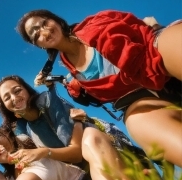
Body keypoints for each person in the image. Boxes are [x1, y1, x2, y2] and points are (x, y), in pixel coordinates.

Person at [16, 9, 182, 167]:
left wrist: (152, 27)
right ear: (38, 44)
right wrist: (60, 85)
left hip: (153, 52)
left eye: (44, 23)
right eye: (35, 34)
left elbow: (134, 25)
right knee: (138, 124)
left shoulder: (95, 22)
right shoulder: (75, 78)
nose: (44, 32)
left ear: (56, 20)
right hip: (137, 98)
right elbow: (88, 98)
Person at [0, 74, 141, 180]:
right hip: (83, 175)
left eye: (17, 90)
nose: (14, 97)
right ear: (6, 107)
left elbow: (77, 152)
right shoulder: (27, 129)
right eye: (7, 98)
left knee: (90, 141)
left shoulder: (47, 101)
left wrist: (43, 152)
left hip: (103, 149)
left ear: (27, 90)